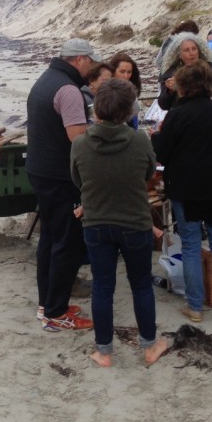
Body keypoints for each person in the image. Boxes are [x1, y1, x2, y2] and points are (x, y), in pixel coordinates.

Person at [71, 79, 168, 367]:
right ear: (128, 111)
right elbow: (149, 171)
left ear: (97, 108)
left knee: (103, 286)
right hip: (135, 222)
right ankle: (149, 347)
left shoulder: (80, 144)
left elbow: (78, 180)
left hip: (97, 222)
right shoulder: (139, 140)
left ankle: (104, 351)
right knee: (140, 285)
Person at [152, 63, 212, 324]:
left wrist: (157, 137)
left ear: (183, 87)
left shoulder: (178, 114)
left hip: (188, 186)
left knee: (192, 246)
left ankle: (195, 307)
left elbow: (162, 151)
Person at [26, 37, 100, 332]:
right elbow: (78, 139)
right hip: (60, 176)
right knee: (66, 243)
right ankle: (56, 312)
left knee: (49, 240)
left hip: (40, 171)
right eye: (90, 61)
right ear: (79, 59)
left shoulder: (45, 79)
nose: (91, 66)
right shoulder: (69, 90)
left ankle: (48, 303)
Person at [156, 32, 212, 110]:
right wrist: (169, 91)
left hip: (208, 113)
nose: (192, 53)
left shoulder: (210, 68)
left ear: (199, 50)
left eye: (194, 49)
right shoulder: (172, 73)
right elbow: (163, 105)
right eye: (186, 50)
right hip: (183, 116)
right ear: (179, 55)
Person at [108, 52, 142, 128]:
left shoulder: (132, 89)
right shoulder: (106, 92)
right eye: (122, 71)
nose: (126, 76)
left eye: (129, 72)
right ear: (113, 71)